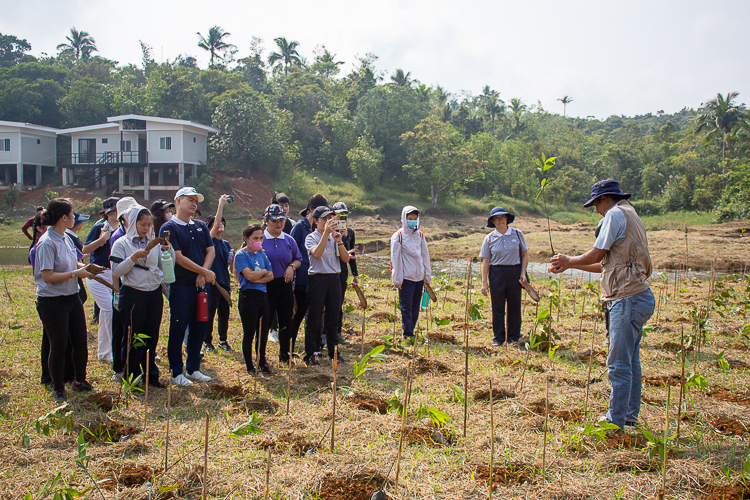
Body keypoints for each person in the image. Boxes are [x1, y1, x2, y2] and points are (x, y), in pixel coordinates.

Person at [551, 180, 654, 431]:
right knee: (630, 361)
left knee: (618, 363)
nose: (596, 210)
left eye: (596, 204)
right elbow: (605, 265)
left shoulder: (615, 214)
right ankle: (628, 416)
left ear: (605, 199)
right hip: (638, 295)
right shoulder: (631, 213)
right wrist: (570, 265)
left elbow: (597, 254)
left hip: (625, 297)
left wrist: (567, 258)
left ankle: (615, 421)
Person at [34, 198, 96, 402]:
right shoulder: (47, 243)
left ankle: (79, 380)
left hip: (71, 297)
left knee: (80, 341)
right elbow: (48, 276)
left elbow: (73, 262)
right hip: (52, 301)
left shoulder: (65, 238)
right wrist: (75, 273)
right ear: (63, 217)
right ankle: (58, 388)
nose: (74, 217)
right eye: (72, 214)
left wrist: (85, 268)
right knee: (58, 345)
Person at [111, 204, 174, 388]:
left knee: (151, 336)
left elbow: (162, 266)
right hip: (133, 294)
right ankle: (132, 377)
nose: (146, 229)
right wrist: (133, 257)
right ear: (133, 224)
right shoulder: (121, 244)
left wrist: (168, 251)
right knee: (132, 337)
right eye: (142, 224)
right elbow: (116, 270)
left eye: (149, 225)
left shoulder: (153, 242)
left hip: (153, 294)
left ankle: (150, 375)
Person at [159, 187, 216, 386]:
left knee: (200, 325)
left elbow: (210, 250)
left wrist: (203, 272)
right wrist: (203, 272)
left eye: (196, 201)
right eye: (189, 200)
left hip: (201, 286)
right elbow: (178, 257)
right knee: (178, 326)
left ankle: (193, 367)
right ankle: (176, 372)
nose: (193, 204)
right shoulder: (169, 228)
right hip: (181, 285)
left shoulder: (200, 226)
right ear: (178, 201)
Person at [304, 205, 350, 366]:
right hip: (317, 279)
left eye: (330, 219)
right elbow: (316, 254)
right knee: (314, 318)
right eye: (324, 219)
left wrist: (339, 242)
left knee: (333, 317)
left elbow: (345, 259)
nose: (328, 222)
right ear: (316, 221)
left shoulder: (335, 237)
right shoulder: (312, 237)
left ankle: (333, 352)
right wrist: (326, 234)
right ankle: (310, 353)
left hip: (334, 279)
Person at [479, 207, 529, 346]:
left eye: (502, 217)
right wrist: (484, 282)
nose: (500, 220)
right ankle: (498, 339)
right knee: (497, 307)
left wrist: (523, 272)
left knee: (514, 306)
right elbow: (486, 261)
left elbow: (524, 254)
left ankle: (513, 338)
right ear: (493, 221)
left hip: (514, 273)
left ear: (507, 219)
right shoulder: (489, 238)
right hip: (497, 274)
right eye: (497, 218)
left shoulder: (517, 234)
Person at [262, 204, 302, 364]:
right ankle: (261, 356)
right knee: (265, 320)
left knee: (286, 320)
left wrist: (291, 267)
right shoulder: (260, 239)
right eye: (274, 221)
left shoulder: (288, 239)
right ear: (266, 221)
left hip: (285, 284)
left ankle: (285, 354)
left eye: (281, 220)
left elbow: (298, 259)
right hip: (266, 285)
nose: (278, 224)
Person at [289, 194, 329, 355]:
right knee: (298, 313)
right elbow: (290, 249)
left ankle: (314, 347)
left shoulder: (323, 229)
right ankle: (289, 347)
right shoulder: (300, 227)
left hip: (317, 278)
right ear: (312, 211)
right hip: (301, 277)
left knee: (316, 314)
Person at [82, 197, 119, 363]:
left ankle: (104, 353)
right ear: (108, 213)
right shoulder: (100, 227)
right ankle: (116, 350)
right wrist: (103, 239)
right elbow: (85, 249)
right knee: (110, 310)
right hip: (96, 274)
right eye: (114, 211)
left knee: (106, 312)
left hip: (113, 274)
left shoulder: (122, 228)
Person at [234, 224, 274, 374]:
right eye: (255, 238)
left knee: (263, 333)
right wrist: (262, 273)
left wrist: (257, 277)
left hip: (263, 296)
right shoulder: (241, 255)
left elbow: (271, 276)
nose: (258, 241)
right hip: (248, 296)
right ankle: (249, 365)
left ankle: (261, 361)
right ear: (246, 239)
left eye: (260, 238)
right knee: (249, 333)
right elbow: (248, 276)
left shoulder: (262, 255)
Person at [390, 206, 431, 340]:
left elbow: (425, 255)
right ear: (404, 219)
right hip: (406, 278)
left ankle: (411, 329)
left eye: (415, 219)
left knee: (415, 308)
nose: (412, 221)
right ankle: (407, 333)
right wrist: (397, 279)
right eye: (410, 219)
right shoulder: (399, 236)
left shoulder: (420, 235)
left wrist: (427, 275)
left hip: (418, 278)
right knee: (406, 307)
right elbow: (395, 259)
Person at [204, 194, 234, 353]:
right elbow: (215, 225)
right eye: (217, 223)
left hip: (224, 282)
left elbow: (228, 264)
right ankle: (207, 342)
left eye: (223, 222)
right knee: (209, 314)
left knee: (224, 312)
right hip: (211, 283)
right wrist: (220, 205)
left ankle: (223, 340)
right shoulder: (208, 241)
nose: (220, 224)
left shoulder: (226, 244)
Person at [332, 202, 358, 342]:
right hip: (330, 269)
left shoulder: (350, 232)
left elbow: (350, 255)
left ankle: (337, 332)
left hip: (342, 270)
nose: (342, 218)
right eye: (339, 214)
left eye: (344, 214)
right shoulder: (329, 230)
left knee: (339, 301)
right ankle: (325, 333)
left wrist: (355, 274)